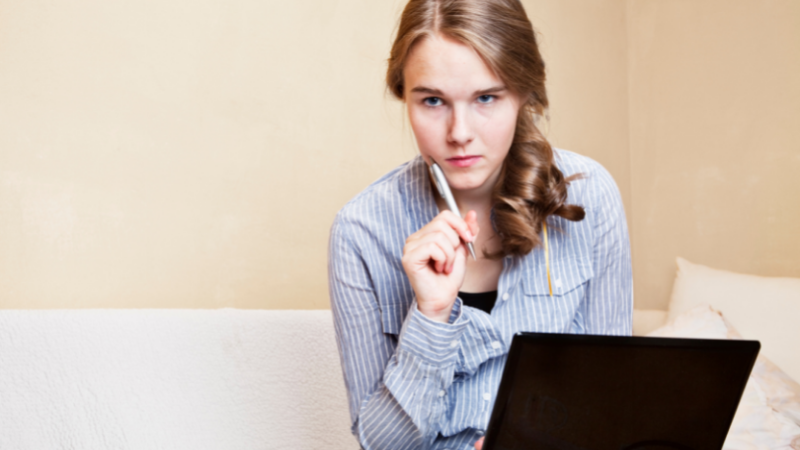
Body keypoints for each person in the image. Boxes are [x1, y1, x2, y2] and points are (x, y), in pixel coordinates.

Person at [327, 0, 632, 448]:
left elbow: (612, 394)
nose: (459, 133)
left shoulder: (590, 194)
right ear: (405, 97)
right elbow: (381, 444)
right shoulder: (360, 231)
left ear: (524, 93)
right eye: (433, 101)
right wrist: (431, 316)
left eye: (486, 97)